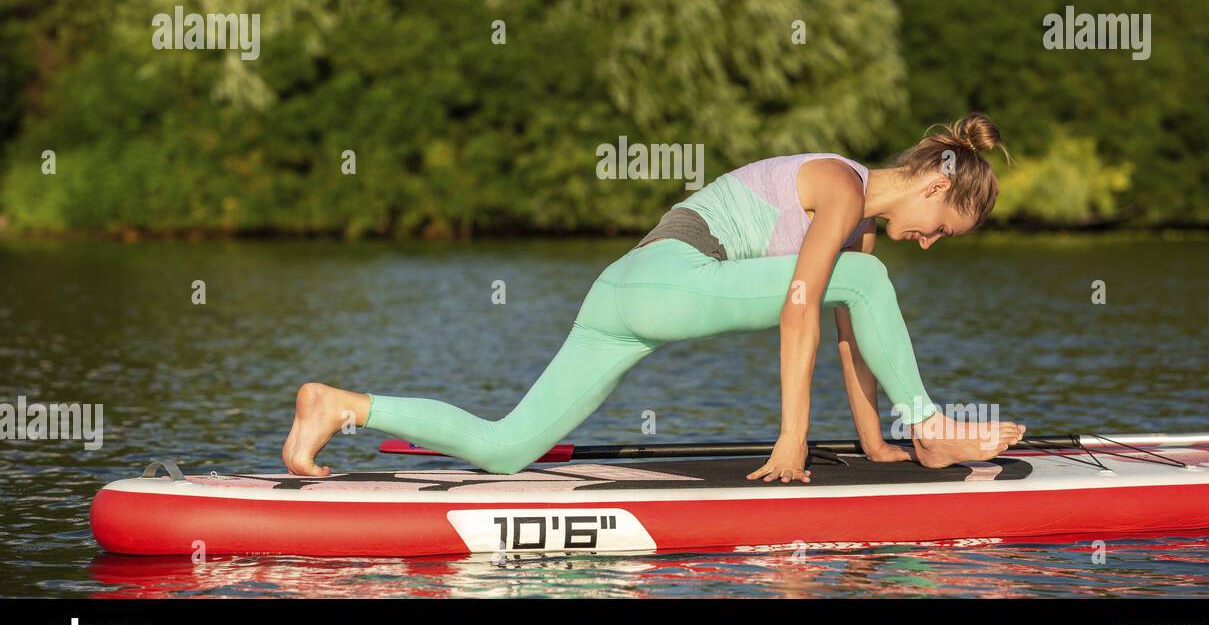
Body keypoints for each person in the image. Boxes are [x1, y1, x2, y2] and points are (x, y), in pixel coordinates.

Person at [282, 113, 1025, 482]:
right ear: (934, 184)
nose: (929, 241)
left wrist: (872, 443)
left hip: (622, 292)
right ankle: (931, 427)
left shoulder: (857, 231)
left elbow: (848, 333)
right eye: (941, 227)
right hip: (671, 281)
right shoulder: (842, 185)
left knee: (507, 448)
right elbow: (802, 305)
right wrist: (792, 438)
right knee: (864, 282)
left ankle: (341, 407)